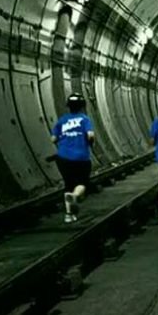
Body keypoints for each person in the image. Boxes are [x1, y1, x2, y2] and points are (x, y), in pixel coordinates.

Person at [51, 93, 95, 223]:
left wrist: (63, 142)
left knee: (68, 185)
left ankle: (68, 215)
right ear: (82, 106)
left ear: (68, 106)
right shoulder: (84, 119)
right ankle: (75, 196)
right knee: (82, 183)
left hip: (63, 158)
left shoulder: (62, 120)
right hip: (81, 157)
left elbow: (53, 138)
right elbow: (91, 135)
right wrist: (90, 143)